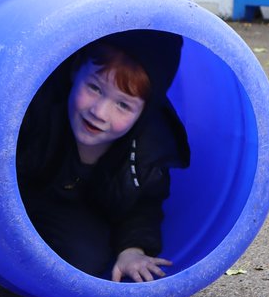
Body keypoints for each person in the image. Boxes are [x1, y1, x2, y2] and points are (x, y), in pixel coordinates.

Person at [16, 30, 190, 282]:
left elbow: (143, 208)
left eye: (123, 105)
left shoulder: (146, 154)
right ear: (75, 70)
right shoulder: (37, 109)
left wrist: (132, 250)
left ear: (144, 113)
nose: (99, 111)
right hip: (11, 197)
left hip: (74, 214)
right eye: (95, 87)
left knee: (88, 262)